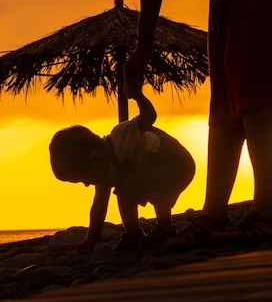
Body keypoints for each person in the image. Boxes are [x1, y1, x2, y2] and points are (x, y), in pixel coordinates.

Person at [125, 0, 272, 249]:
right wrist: (143, 45)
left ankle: (268, 211)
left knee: (252, 71)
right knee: (225, 81)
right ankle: (214, 211)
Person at [49, 88, 195, 253]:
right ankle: (133, 233)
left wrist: (138, 96)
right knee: (124, 192)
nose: (87, 184)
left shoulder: (120, 137)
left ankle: (165, 227)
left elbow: (149, 117)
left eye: (84, 179)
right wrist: (91, 239)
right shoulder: (105, 175)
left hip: (175, 163)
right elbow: (98, 208)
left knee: (151, 180)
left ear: (95, 159)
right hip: (150, 174)